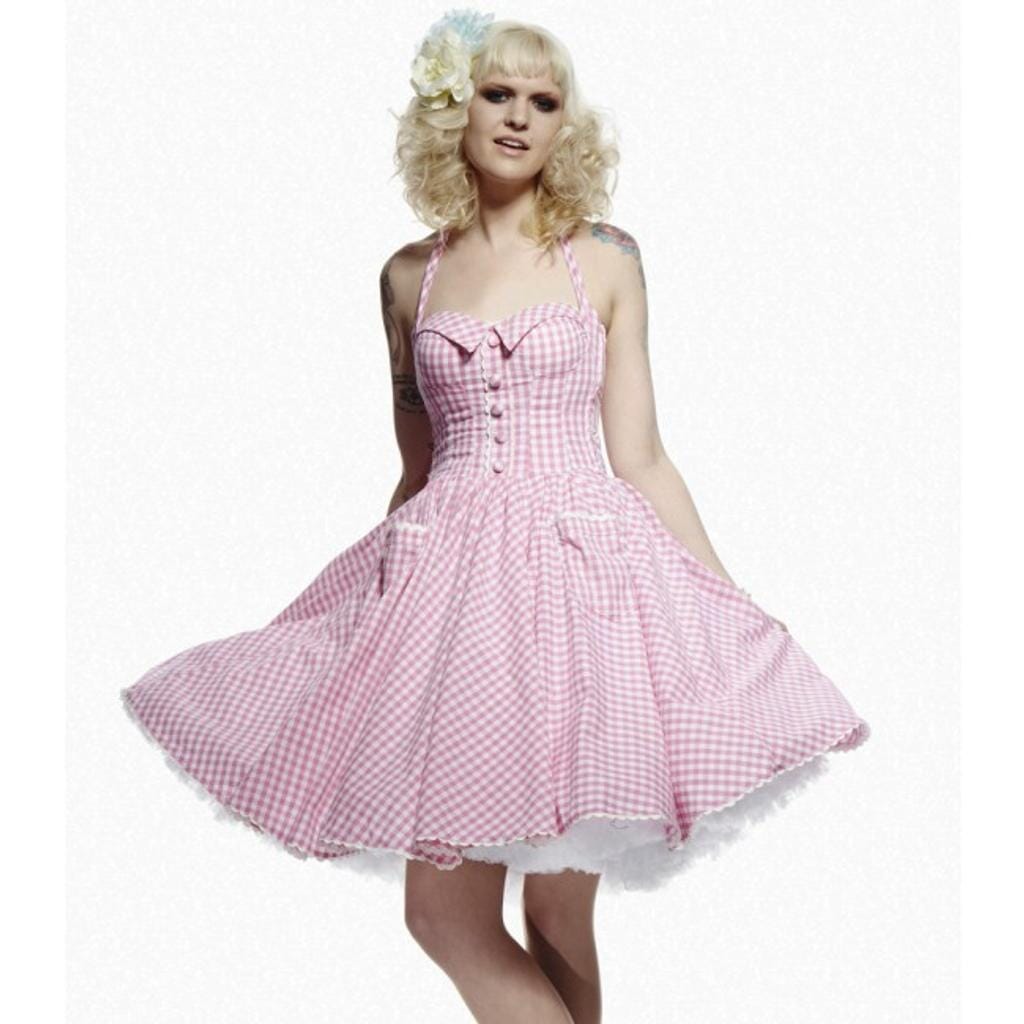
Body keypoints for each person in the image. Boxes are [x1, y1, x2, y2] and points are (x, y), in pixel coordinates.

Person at [121, 10, 871, 1023]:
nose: (520, 117)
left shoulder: (604, 256)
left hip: (583, 583)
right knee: (444, 912)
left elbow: (640, 456)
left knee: (559, 911)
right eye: (497, 93)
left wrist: (725, 598)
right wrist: (367, 621)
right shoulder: (407, 277)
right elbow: (417, 469)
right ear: (455, 109)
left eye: (544, 101)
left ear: (566, 124)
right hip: (453, 593)